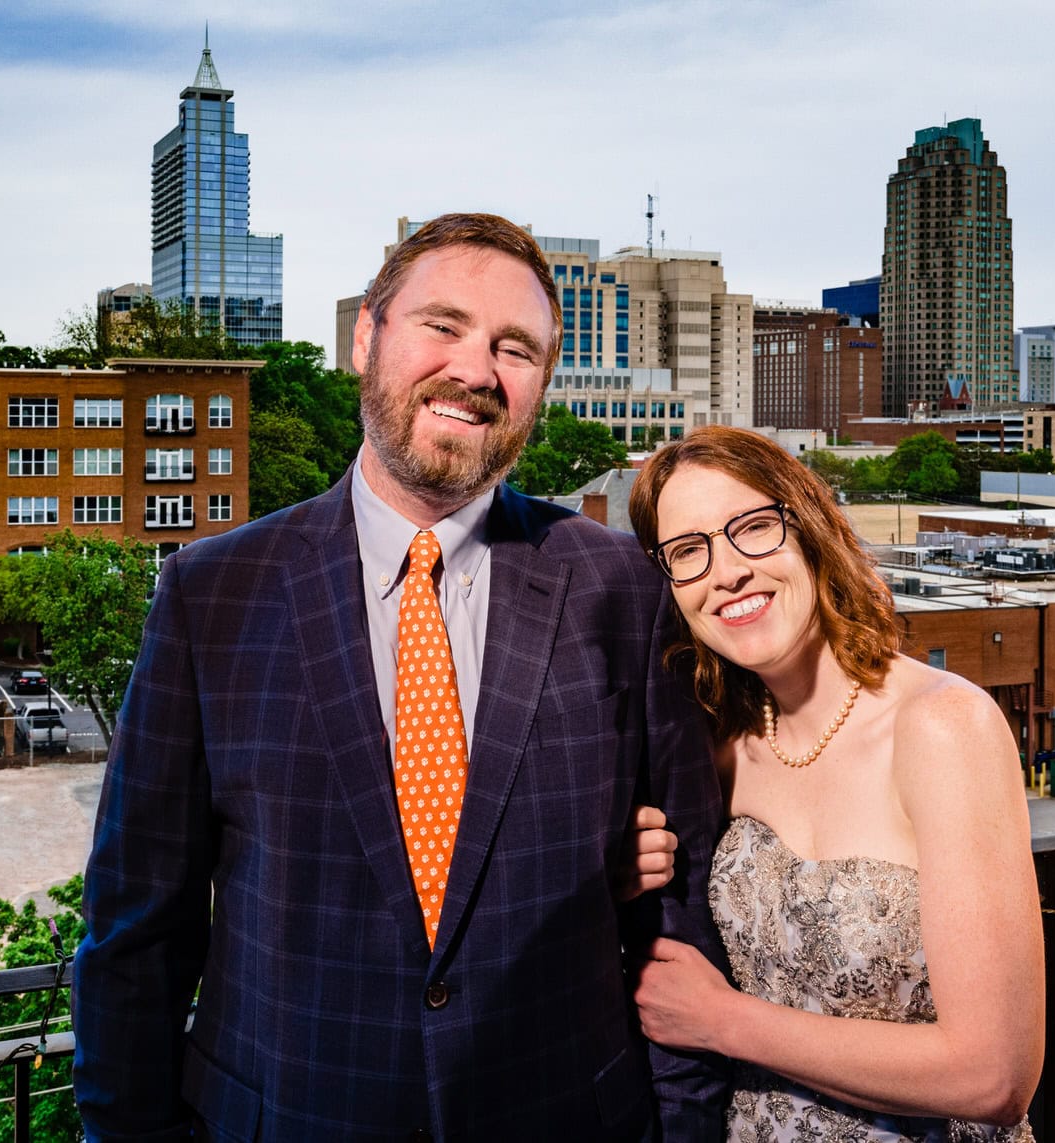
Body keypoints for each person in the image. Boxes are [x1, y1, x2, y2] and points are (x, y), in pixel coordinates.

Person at [72, 213, 729, 1141]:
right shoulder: (211, 594)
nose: (475, 369)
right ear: (364, 338)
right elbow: (136, 939)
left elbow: (684, 919)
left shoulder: (619, 585)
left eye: (516, 348)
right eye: (444, 325)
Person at [623, 426, 1043, 1141]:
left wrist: (726, 1020)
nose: (726, 571)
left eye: (752, 528)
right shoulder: (717, 746)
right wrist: (620, 877)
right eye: (689, 551)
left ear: (809, 530)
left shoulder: (944, 728)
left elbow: (994, 1075)